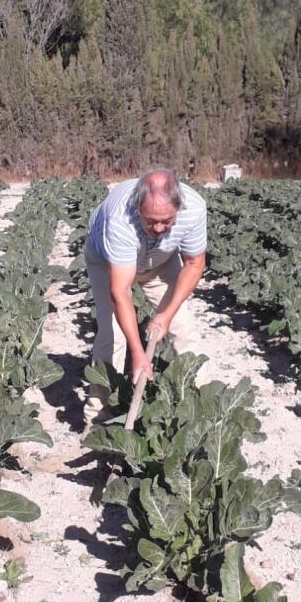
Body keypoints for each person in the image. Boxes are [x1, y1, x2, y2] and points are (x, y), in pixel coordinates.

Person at [83, 168, 207, 420]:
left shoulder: (194, 209)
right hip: (107, 260)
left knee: (184, 328)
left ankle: (200, 409)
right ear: (138, 208)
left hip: (161, 259)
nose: (159, 227)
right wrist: (138, 353)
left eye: (167, 220)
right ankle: (97, 415)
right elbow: (120, 291)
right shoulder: (120, 219)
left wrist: (166, 315)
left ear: (178, 207)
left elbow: (194, 264)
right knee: (112, 336)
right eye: (150, 221)